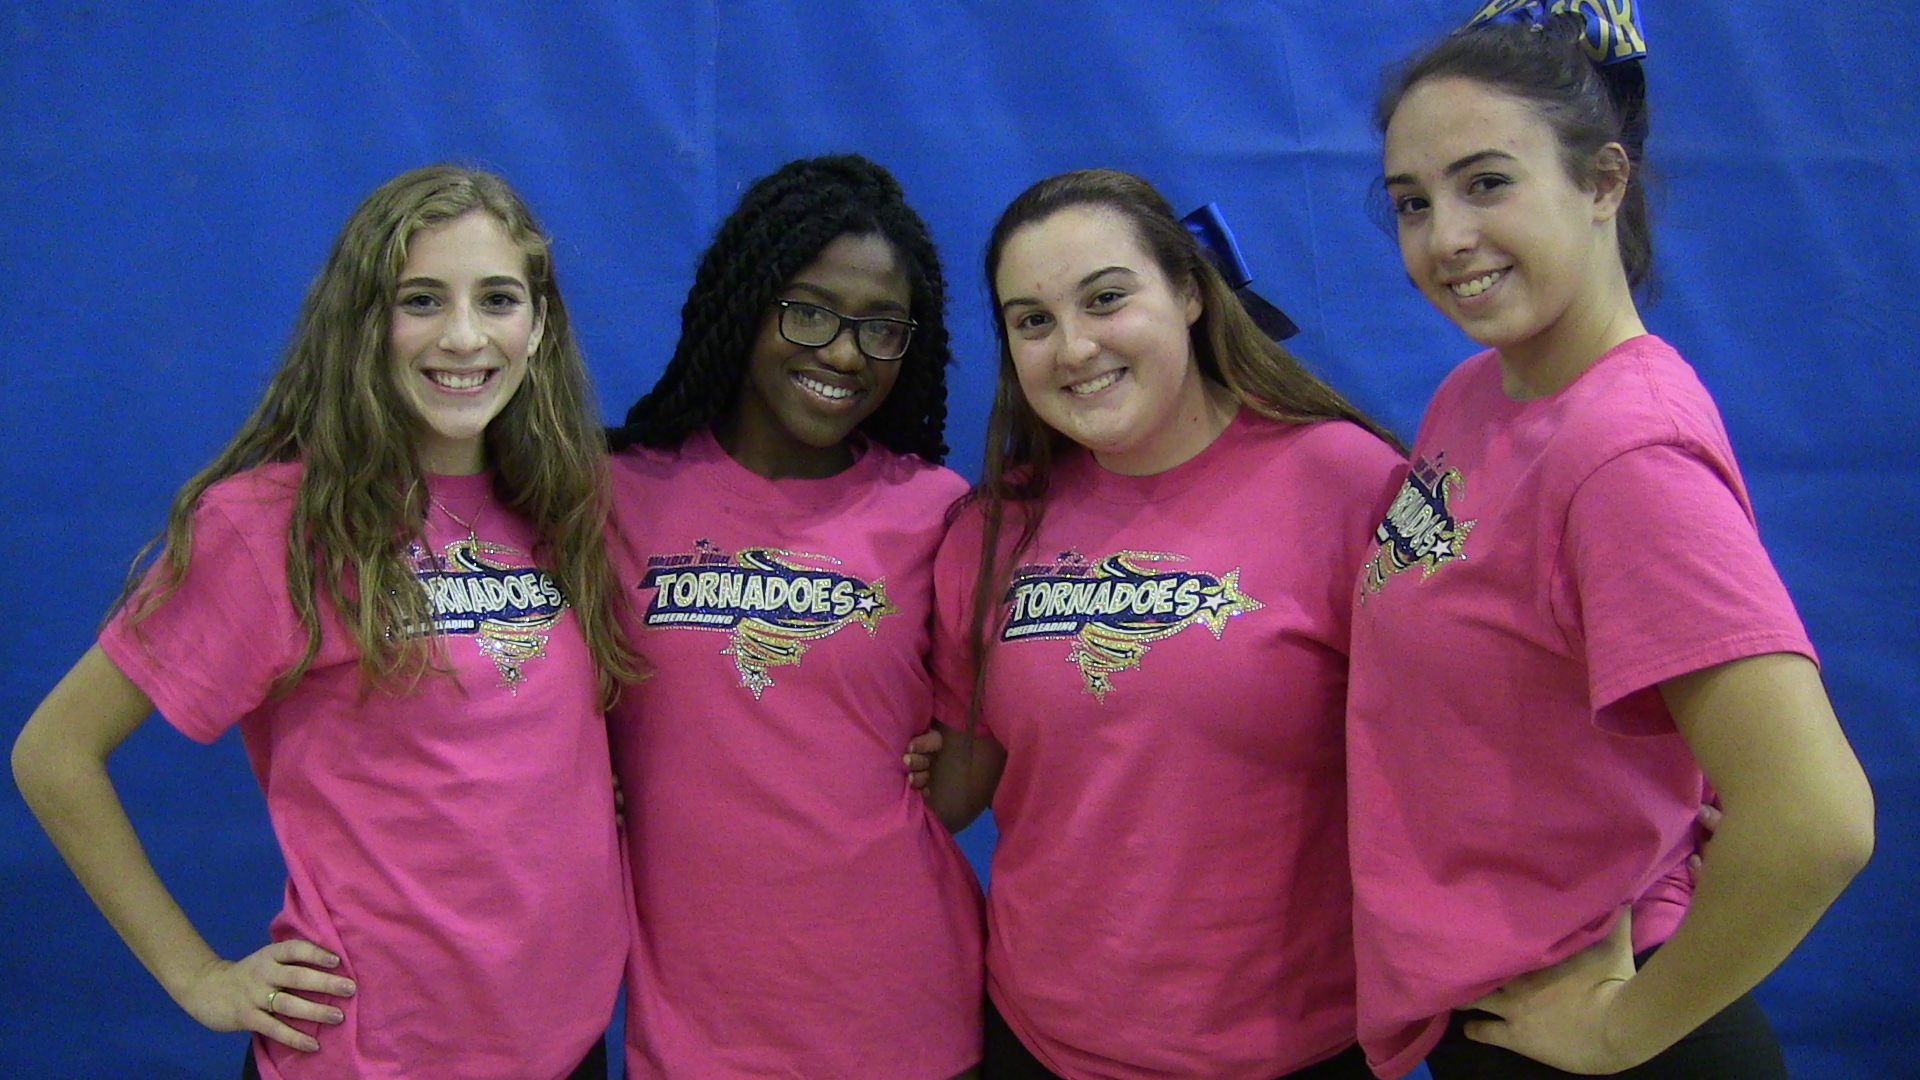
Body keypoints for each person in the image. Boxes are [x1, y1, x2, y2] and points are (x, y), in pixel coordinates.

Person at [11, 165, 642, 1080]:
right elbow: (53, 754)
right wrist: (198, 977)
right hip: (376, 1057)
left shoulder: (563, 504)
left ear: (538, 325)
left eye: (497, 299)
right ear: (362, 322)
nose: (464, 335)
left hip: (568, 1045)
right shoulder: (272, 524)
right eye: (420, 300)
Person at [1346, 5, 1875, 1078]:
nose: (1445, 237)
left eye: (1486, 183)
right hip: (1490, 992)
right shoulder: (1479, 393)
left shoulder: (1622, 449)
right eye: (1413, 202)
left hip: (1598, 1028)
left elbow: (1819, 817)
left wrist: (1619, 1033)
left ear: (1603, 182)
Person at [926, 168, 1404, 1080]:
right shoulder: (990, 531)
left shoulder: (1347, 484)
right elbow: (955, 786)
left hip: (1289, 1048)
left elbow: (1464, 737)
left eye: (1106, 298)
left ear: (1189, 291)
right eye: (1032, 320)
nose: (1072, 348)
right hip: (1037, 1043)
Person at [602, 154, 984, 1080]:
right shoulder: (611, 497)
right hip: (695, 1026)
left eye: (881, 328)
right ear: (744, 304)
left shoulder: (936, 510)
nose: (846, 354)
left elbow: (968, 781)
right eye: (809, 311)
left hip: (904, 1011)